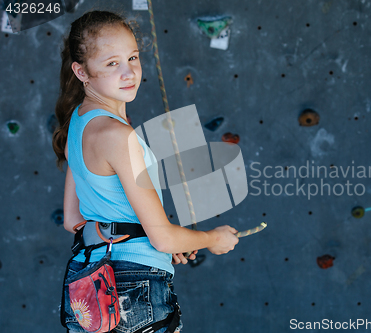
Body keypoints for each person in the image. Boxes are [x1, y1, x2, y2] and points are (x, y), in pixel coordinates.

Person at [52, 9, 239, 333]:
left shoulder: (77, 127)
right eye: (112, 64)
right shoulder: (117, 136)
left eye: (133, 58)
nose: (129, 72)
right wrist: (211, 238)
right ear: (81, 71)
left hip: (90, 285)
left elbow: (74, 222)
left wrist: (156, 239)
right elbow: (163, 237)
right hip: (133, 287)